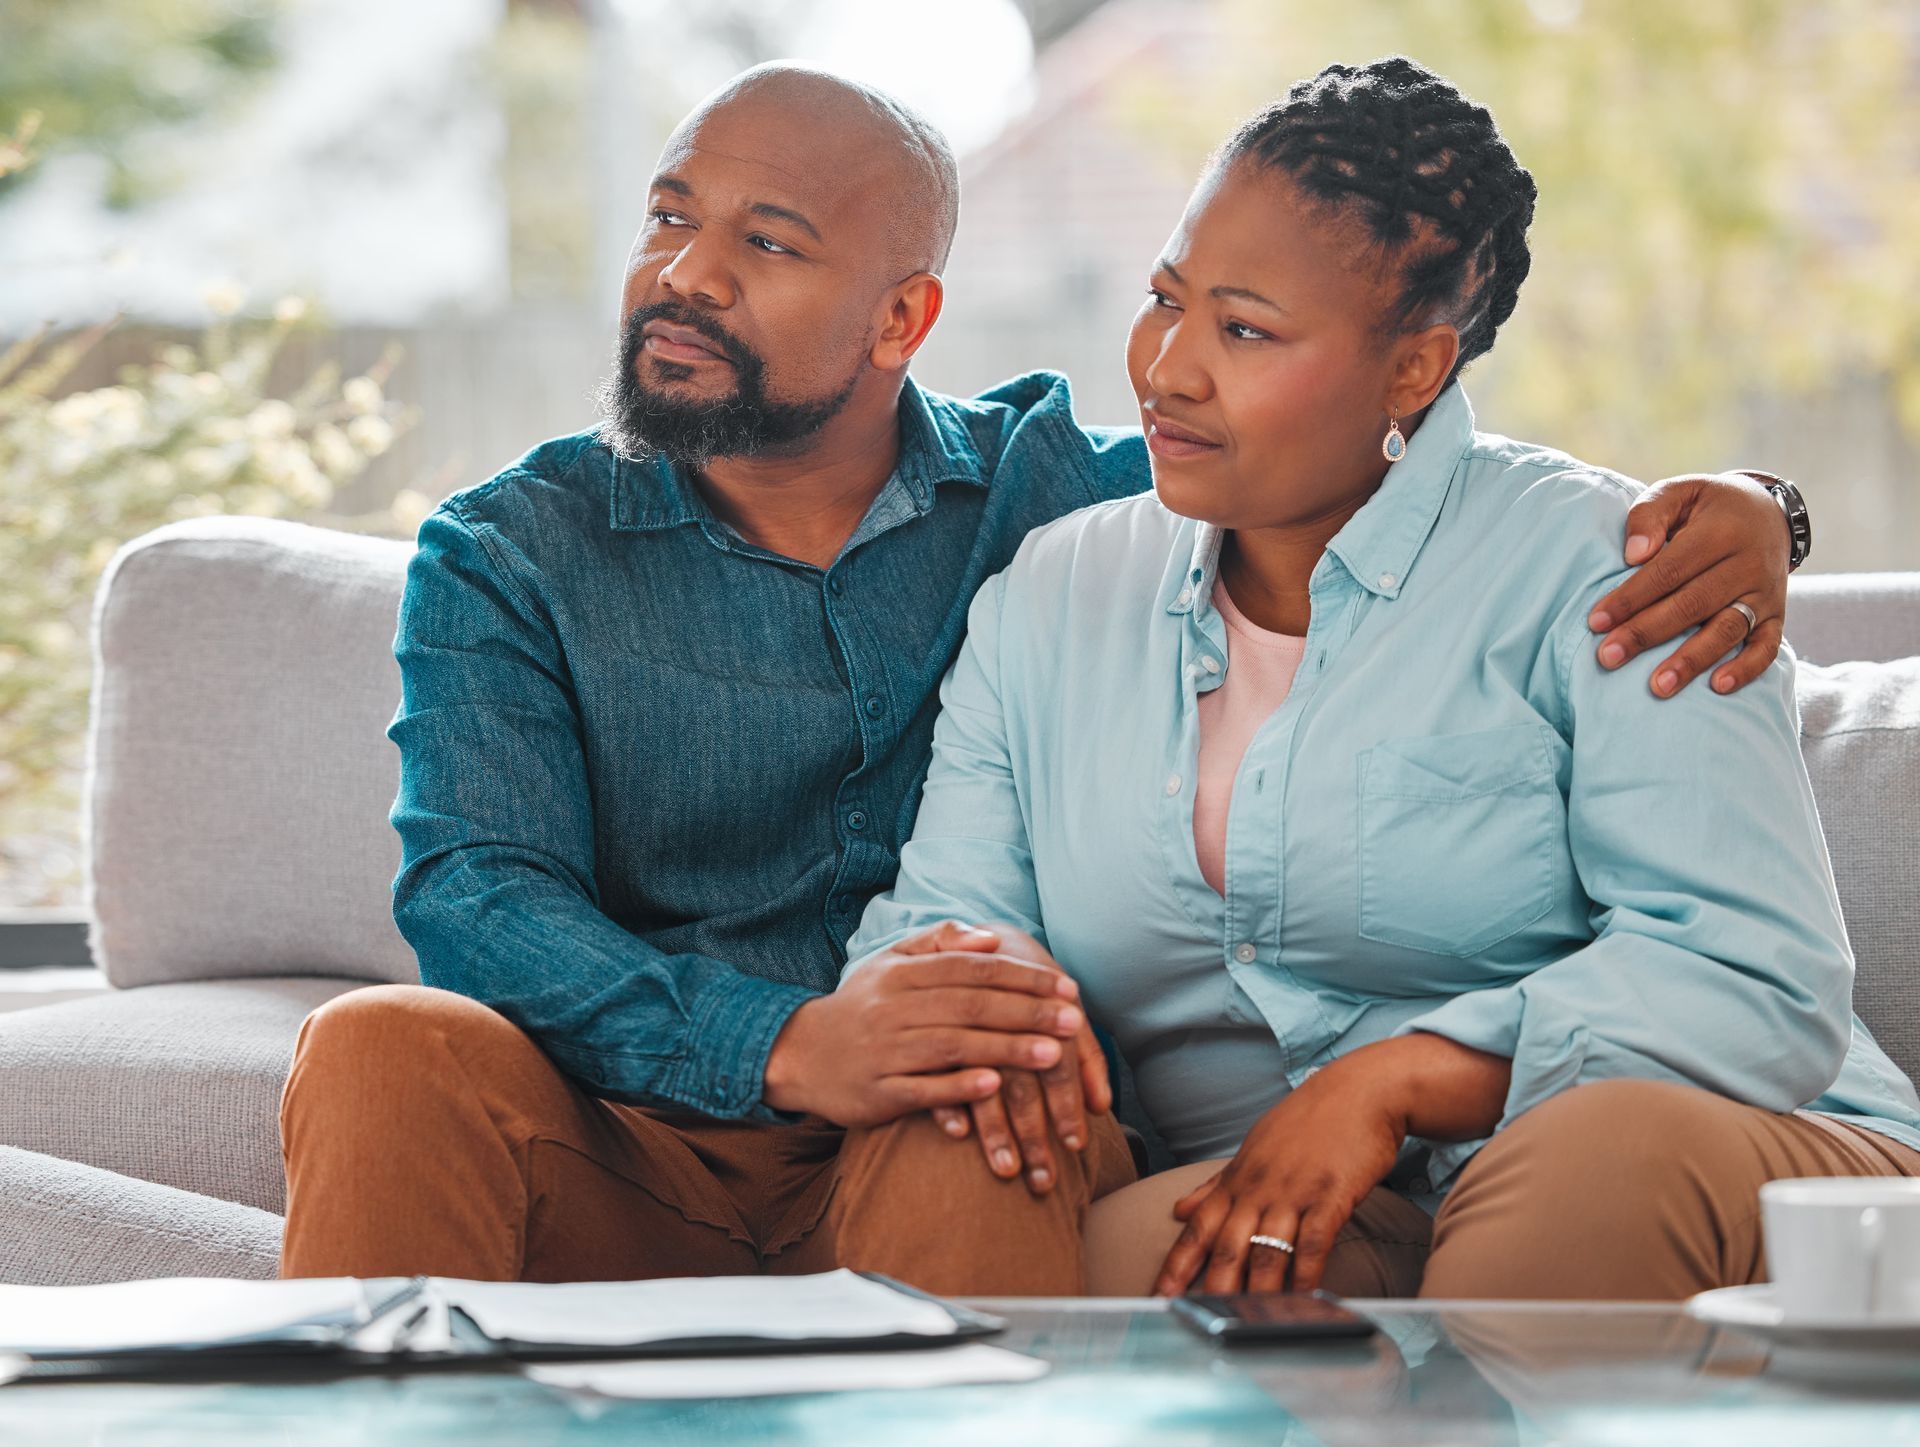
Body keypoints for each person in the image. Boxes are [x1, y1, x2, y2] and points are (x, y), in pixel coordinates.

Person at [279, 63, 1806, 1285]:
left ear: (903, 319)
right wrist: (795, 1041)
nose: (685, 275)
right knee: (376, 1043)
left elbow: (1348, 445)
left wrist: (1755, 507)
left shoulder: (1056, 504)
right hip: (649, 1135)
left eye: (765, 242)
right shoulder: (511, 549)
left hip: (959, 1131)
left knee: (982, 1101)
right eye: (668, 219)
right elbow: (478, 895)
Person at [838, 56, 1920, 1300]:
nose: (1169, 366)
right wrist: (993, 1014)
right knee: (1141, 1252)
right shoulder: (1053, 597)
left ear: (1414, 369)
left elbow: (1754, 976)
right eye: (1166, 299)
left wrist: (1400, 1075)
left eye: (1245, 330)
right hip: (1310, 1195)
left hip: (1726, 1160)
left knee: (1580, 1172)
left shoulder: (1620, 570)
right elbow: (938, 925)